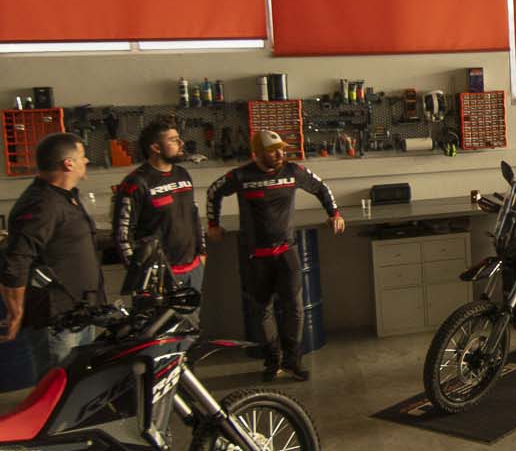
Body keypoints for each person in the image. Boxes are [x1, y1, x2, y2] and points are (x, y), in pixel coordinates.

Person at [206, 130, 344, 381]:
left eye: (282, 149)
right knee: (262, 311)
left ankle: (293, 360)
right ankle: (273, 361)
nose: (280, 154)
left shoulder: (293, 171)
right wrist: (213, 224)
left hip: (286, 252)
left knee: (295, 309)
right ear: (257, 154)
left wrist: (334, 214)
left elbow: (321, 187)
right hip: (255, 256)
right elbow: (214, 191)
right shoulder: (241, 176)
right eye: (272, 151)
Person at [0, 132, 106, 379]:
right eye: (82, 156)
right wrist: (16, 311)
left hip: (79, 312)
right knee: (58, 388)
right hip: (57, 318)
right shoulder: (42, 204)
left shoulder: (66, 197)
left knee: (78, 386)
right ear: (68, 163)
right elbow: (16, 262)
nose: (86, 160)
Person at [112, 119, 205, 292]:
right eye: (173, 140)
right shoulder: (136, 183)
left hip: (193, 269)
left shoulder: (183, 174)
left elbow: (194, 215)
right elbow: (122, 235)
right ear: (156, 147)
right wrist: (140, 274)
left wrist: (202, 252)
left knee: (196, 312)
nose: (181, 143)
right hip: (160, 276)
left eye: (179, 139)